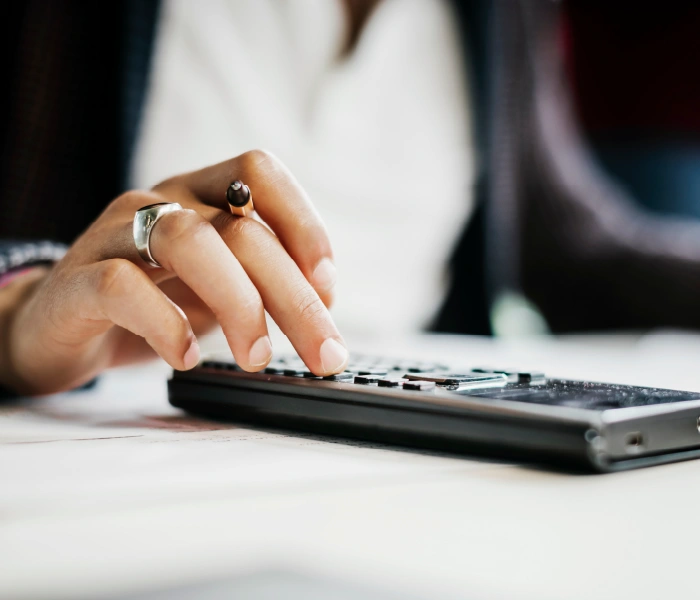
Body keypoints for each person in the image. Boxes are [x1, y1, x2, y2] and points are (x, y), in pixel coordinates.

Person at [2, 0, 700, 397]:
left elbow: (574, 248)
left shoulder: (501, 13)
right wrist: (19, 317)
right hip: (115, 458)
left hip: (428, 477)